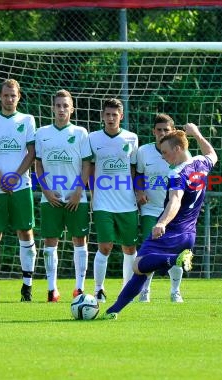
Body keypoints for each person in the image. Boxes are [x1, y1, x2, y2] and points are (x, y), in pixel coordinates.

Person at [103, 123, 217, 319]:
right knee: (140, 272)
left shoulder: (177, 173)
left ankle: (175, 260)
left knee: (138, 266)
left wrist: (162, 223)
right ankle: (113, 311)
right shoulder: (200, 163)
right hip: (189, 233)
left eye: (165, 152)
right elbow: (213, 154)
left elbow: (175, 200)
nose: (163, 157)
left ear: (178, 149)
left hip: (172, 231)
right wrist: (197, 134)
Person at [0, 79, 37, 302]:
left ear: (19, 97)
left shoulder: (27, 120)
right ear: (0, 97)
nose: (9, 99)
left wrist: (14, 176)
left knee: (25, 232)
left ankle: (27, 287)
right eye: (6, 95)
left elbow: (31, 152)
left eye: (13, 95)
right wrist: (0, 177)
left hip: (21, 186)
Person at [34, 89, 91, 302]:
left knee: (80, 240)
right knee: (51, 242)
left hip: (77, 197)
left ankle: (79, 288)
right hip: (51, 198)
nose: (61, 109)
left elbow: (87, 164)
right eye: (58, 105)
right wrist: (46, 192)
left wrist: (78, 191)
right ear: (52, 108)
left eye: (65, 106)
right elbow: (38, 165)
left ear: (72, 109)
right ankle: (52, 290)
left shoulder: (80, 133)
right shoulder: (42, 133)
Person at [81, 98, 139, 303]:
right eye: (108, 114)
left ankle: (127, 289)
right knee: (105, 246)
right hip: (103, 202)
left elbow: (133, 169)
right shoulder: (93, 138)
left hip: (127, 202)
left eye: (115, 114)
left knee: (129, 248)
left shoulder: (132, 138)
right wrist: (92, 192)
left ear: (121, 116)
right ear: (103, 116)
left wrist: (138, 192)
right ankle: (98, 289)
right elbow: (89, 167)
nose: (111, 118)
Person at [135, 113, 185, 303]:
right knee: (149, 251)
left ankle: (175, 291)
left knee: (176, 253)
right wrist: (139, 193)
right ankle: (145, 291)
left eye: (166, 130)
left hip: (173, 212)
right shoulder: (143, 151)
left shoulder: (180, 154)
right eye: (159, 130)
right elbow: (138, 175)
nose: (162, 133)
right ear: (153, 131)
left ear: (173, 132)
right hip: (150, 209)